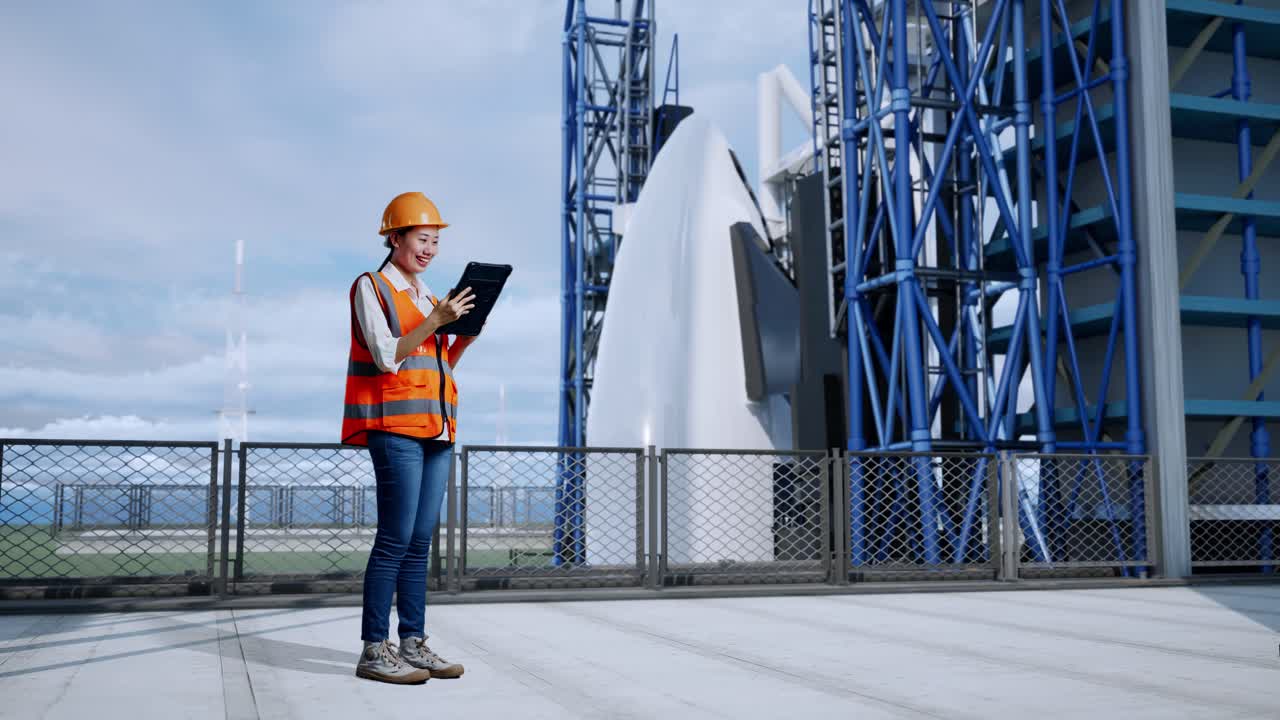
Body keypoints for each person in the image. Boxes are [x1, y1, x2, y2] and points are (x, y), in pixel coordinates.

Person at [341, 191, 480, 684]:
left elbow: (436, 364)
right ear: (394, 237)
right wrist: (436, 321)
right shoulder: (372, 287)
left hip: (436, 429)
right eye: (422, 239)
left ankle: (413, 642)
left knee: (420, 541)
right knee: (395, 539)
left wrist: (458, 337)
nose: (430, 249)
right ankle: (374, 649)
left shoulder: (427, 297)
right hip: (395, 429)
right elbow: (387, 356)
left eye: (435, 241)